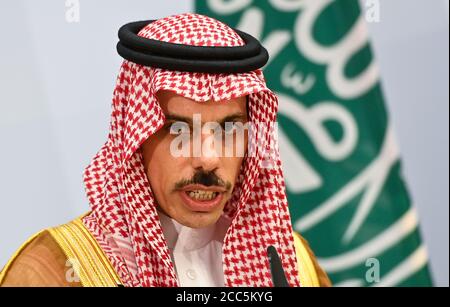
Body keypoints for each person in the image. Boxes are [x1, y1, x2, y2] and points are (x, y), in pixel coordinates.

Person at [0, 13, 330, 287]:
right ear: (134, 136)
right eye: (178, 130)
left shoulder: (293, 265)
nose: (208, 159)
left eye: (229, 130)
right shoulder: (56, 270)